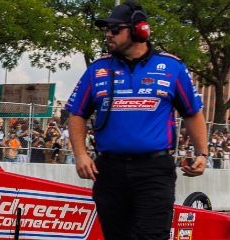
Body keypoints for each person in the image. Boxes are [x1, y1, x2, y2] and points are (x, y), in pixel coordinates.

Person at [65, 2, 207, 239]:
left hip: (153, 170)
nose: (108, 34)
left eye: (114, 29)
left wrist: (202, 153)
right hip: (108, 171)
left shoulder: (172, 67)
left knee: (150, 235)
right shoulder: (97, 69)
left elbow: (192, 112)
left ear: (139, 30)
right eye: (106, 30)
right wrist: (80, 154)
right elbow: (77, 113)